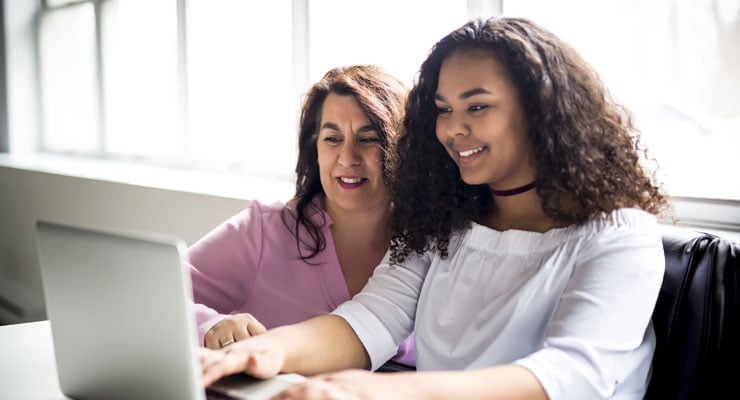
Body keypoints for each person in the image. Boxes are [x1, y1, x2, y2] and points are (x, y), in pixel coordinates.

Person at [199, 17, 671, 399]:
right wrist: (262, 352)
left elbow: (571, 375)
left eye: (477, 107)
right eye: (444, 110)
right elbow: (370, 319)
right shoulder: (446, 221)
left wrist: (387, 393)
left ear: (540, 110)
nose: (453, 130)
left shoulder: (620, 234)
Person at [187, 64, 415, 369]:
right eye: (332, 139)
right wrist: (209, 325)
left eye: (368, 139)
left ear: (402, 146)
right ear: (315, 148)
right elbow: (151, 294)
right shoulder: (263, 231)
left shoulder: (432, 245)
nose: (347, 158)